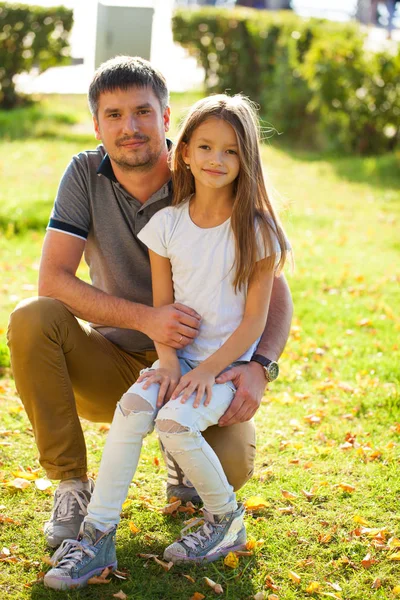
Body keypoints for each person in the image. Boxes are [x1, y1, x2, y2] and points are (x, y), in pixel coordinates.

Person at [7, 56, 293, 549]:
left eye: (142, 111)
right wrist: (150, 321)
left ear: (166, 119)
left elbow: (274, 291)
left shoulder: (201, 170)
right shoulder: (82, 174)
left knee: (232, 466)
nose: (130, 127)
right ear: (96, 124)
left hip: (202, 366)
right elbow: (52, 280)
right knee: (33, 317)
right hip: (116, 361)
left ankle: (186, 466)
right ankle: (73, 485)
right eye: (113, 115)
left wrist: (260, 366)